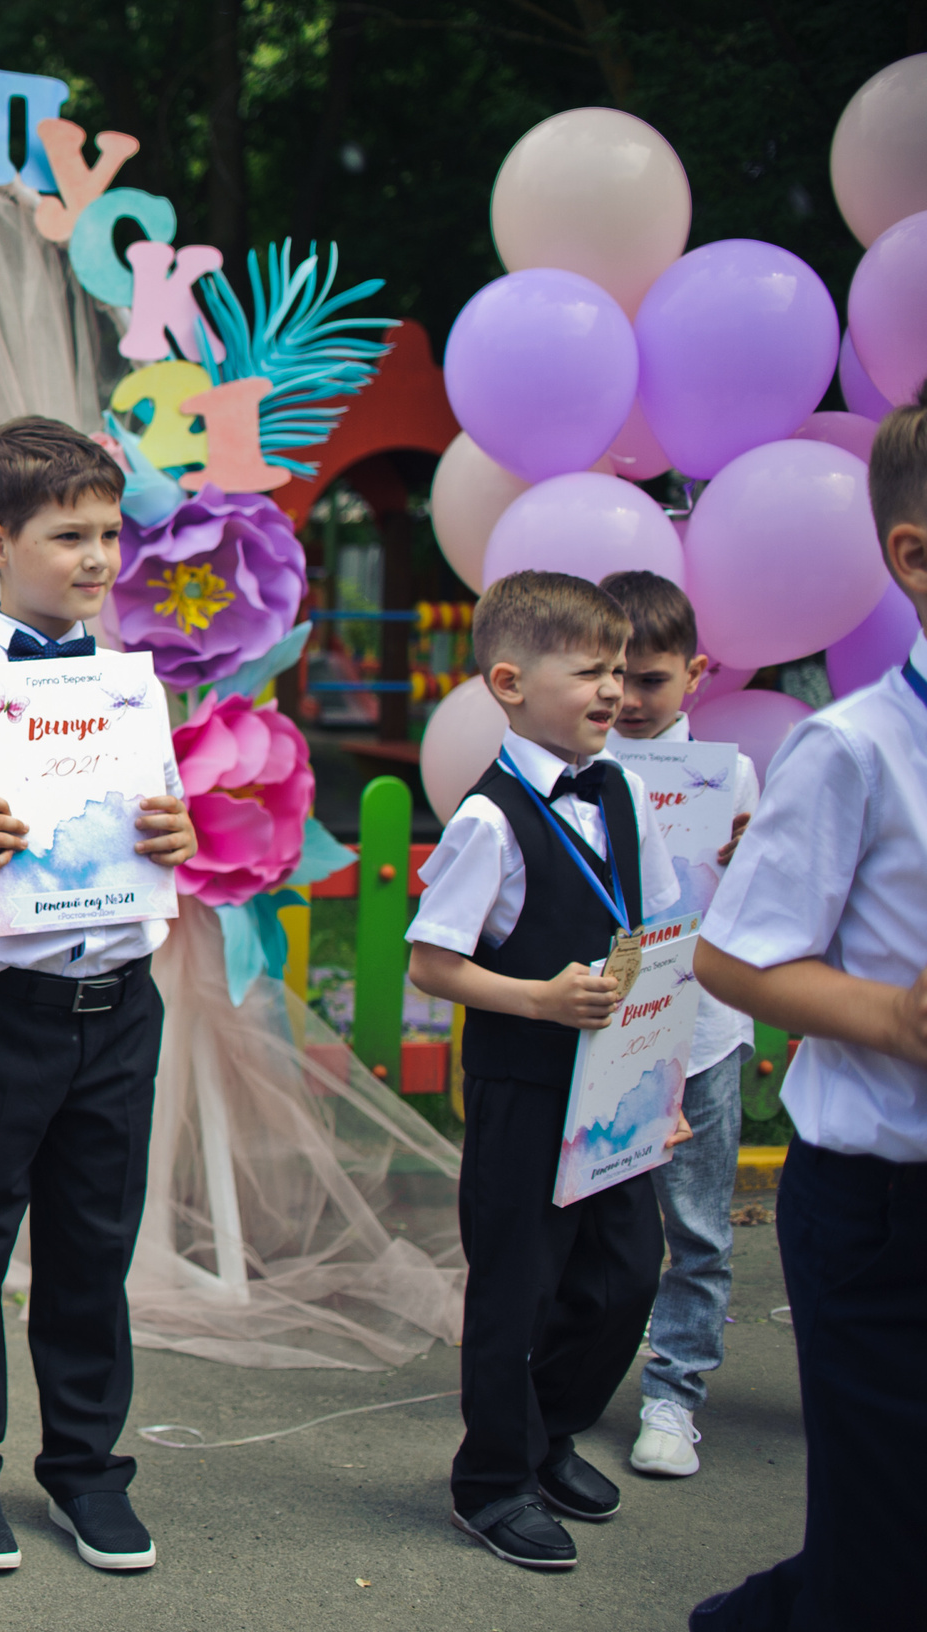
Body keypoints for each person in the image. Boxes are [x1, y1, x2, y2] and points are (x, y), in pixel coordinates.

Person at [0, 419, 197, 1576]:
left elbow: (155, 822)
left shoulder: (129, 683)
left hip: (119, 1001)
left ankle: (86, 1469)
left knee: (90, 1246)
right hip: (3, 1009)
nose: (99, 558)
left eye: (109, 534)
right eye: (70, 536)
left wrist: (177, 830)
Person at [687, 391, 927, 1632]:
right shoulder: (855, 748)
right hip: (888, 1212)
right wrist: (889, 1020)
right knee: (888, 1546)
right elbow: (733, 958)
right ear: (913, 557)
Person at [405, 568, 682, 1572]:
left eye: (619, 670)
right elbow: (430, 960)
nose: (611, 690)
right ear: (512, 683)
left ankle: (548, 1432)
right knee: (517, 1288)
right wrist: (538, 1000)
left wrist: (665, 1082)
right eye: (588, 671)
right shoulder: (487, 820)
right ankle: (489, 1480)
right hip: (527, 1088)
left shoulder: (625, 790)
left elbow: (656, 934)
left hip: (616, 1087)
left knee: (620, 1282)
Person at [596, 569, 758, 1480]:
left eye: (649, 679)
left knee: (695, 1226)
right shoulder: (579, 765)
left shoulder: (730, 775)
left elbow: (765, 913)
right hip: (605, 1026)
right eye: (611, 675)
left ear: (695, 673)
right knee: (594, 1217)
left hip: (701, 1031)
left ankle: (676, 1391)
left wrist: (745, 865)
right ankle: (578, 1372)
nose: (626, 697)